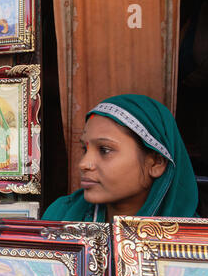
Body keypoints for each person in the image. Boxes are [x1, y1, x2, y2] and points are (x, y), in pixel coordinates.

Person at [42, 94, 199, 222]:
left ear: (156, 163)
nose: (83, 164)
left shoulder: (192, 244)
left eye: (104, 150)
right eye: (85, 149)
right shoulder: (60, 216)